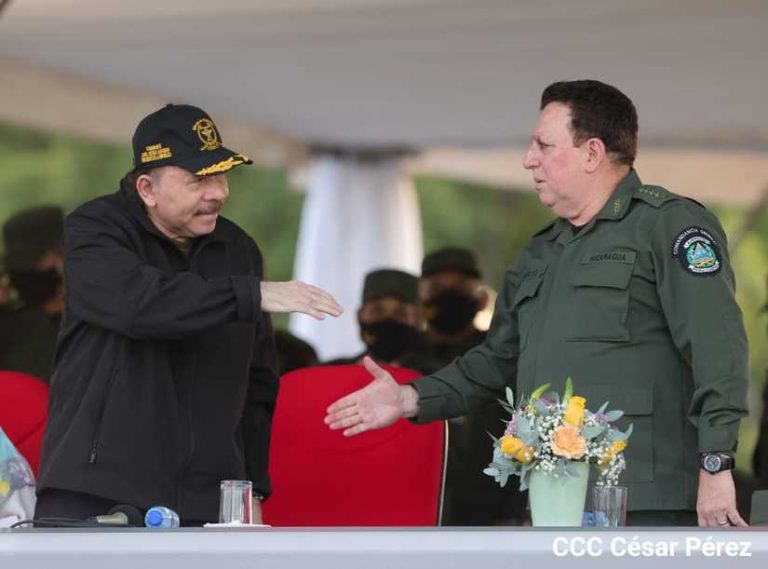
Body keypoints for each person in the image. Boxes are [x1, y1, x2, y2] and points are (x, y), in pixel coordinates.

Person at [326, 80, 749, 528]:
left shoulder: (667, 225)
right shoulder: (540, 253)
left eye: (544, 145)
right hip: (551, 498)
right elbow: (494, 361)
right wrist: (410, 397)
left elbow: (716, 349)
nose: (529, 160)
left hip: (645, 499)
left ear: (592, 153)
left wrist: (716, 464)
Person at [34, 104, 342, 525]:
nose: (218, 192)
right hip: (96, 491)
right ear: (147, 188)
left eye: (222, 174)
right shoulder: (95, 229)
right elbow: (138, 306)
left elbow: (258, 381)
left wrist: (253, 487)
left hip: (207, 500)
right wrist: (249, 294)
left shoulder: (238, 249)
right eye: (199, 179)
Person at [421, 247, 526, 525]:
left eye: (459, 288)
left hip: (490, 514)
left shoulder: (503, 357)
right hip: (413, 511)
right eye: (438, 288)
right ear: (421, 298)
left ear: (480, 300)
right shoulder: (405, 355)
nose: (448, 296)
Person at [325, 268, 440, 375]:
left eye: (400, 313)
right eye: (377, 311)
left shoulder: (440, 380)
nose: (388, 320)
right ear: (360, 315)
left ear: (418, 319)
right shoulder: (331, 374)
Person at [0, 206, 65, 383]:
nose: (23, 272)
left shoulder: (98, 319)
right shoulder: (9, 328)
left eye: (34, 262)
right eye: (17, 267)